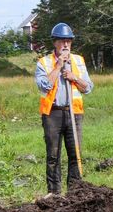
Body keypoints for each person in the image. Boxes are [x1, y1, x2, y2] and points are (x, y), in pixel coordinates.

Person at [35, 22, 93, 195]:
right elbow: (44, 86)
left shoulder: (78, 61)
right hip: (52, 114)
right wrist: (59, 66)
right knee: (53, 156)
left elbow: (88, 88)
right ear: (55, 42)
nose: (66, 44)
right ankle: (54, 195)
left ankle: (75, 194)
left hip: (74, 113)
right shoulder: (44, 63)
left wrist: (74, 77)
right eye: (62, 41)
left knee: (75, 154)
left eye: (68, 41)